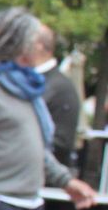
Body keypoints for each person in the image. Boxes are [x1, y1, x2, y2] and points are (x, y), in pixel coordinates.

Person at [0, 7, 95, 210]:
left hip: (30, 204)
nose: (39, 46)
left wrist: (66, 181)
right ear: (18, 45)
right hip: (0, 206)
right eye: (34, 40)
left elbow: (37, 149)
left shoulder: (27, 90)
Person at [29, 21, 80, 167]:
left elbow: (62, 144)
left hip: (44, 177)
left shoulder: (61, 88)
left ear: (38, 46)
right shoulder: (27, 81)